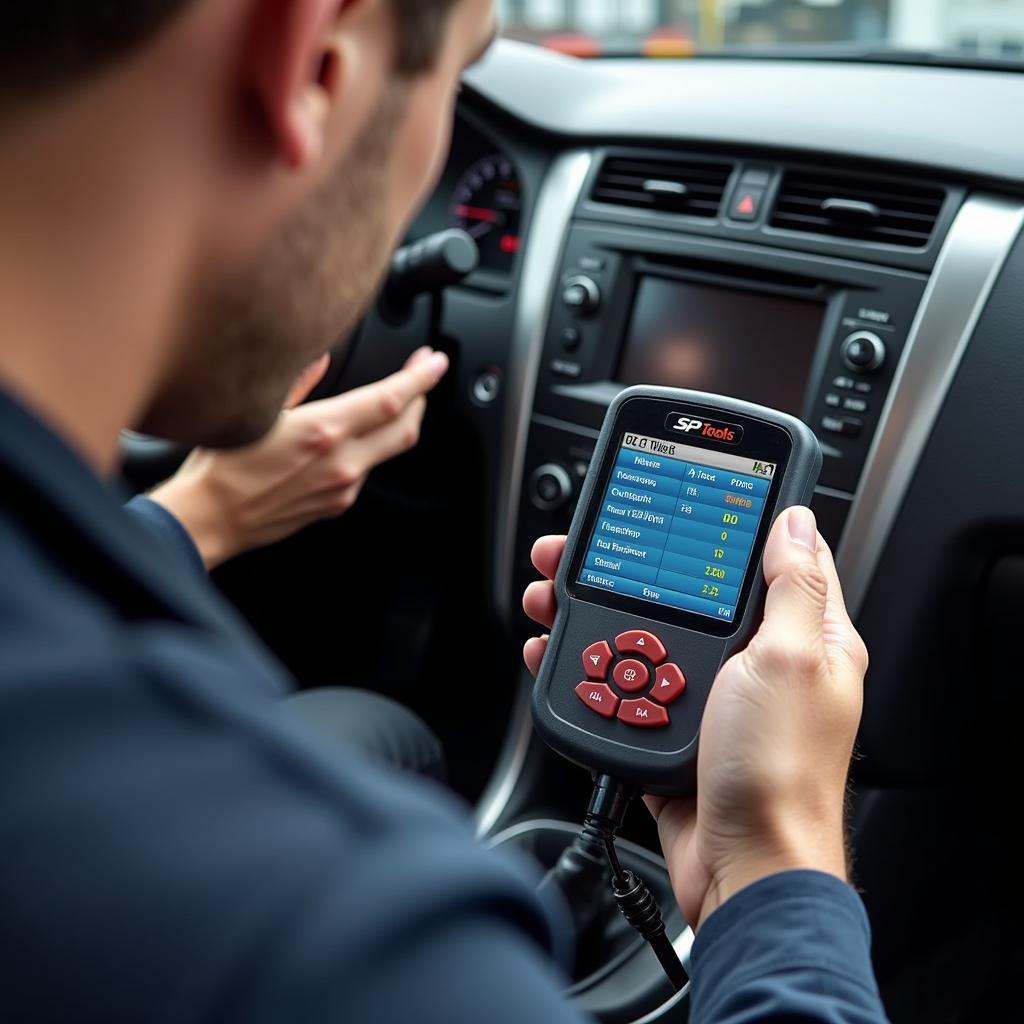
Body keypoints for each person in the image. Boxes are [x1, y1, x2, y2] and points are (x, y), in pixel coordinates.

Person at [0, 3, 886, 1023]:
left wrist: (189, 516)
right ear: (311, 61)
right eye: (454, 82)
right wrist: (772, 859)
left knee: (377, 727)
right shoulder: (349, 944)